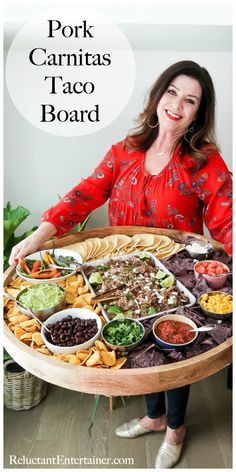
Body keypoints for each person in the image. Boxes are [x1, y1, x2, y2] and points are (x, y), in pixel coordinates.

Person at [9, 60, 232, 468]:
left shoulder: (204, 161)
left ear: (198, 112)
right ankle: (153, 416)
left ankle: (175, 428)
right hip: (120, 273)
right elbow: (84, 194)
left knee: (174, 351)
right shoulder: (124, 152)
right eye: (171, 93)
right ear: (158, 95)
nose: (177, 105)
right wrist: (39, 235)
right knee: (137, 345)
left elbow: (227, 220)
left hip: (175, 275)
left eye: (190, 100)